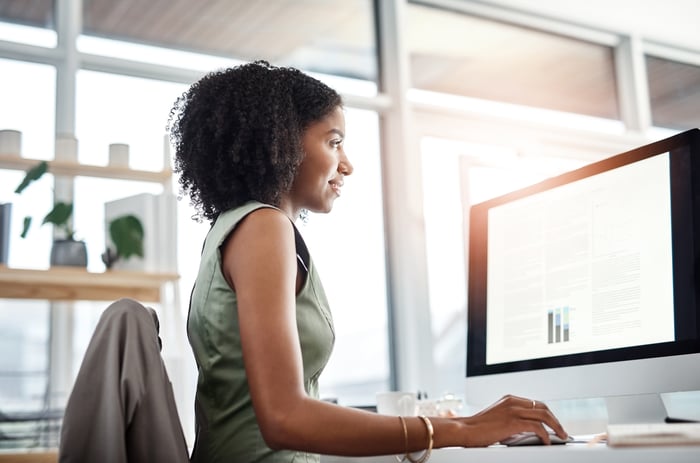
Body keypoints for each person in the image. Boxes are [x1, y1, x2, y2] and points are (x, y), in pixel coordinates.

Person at [168, 60, 568, 463]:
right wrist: (462, 429)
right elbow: (284, 418)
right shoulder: (264, 227)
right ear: (282, 141)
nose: (347, 164)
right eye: (333, 141)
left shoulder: (232, 229)